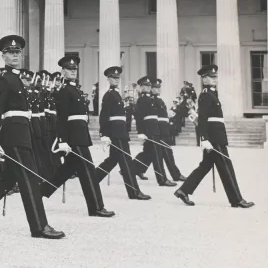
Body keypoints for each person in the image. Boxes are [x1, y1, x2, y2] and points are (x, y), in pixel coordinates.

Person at [0, 34, 64, 239]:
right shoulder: (4, 79)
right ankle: (39, 226)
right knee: (29, 179)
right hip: (12, 136)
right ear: (3, 56)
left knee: (8, 179)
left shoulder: (16, 79)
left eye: (17, 52)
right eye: (10, 53)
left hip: (21, 133)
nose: (15, 55)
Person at [40, 55, 115, 218]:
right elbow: (61, 118)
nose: (73, 71)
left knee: (67, 169)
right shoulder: (64, 91)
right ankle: (96, 207)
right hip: (74, 136)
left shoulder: (75, 90)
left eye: (74, 69)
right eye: (69, 69)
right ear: (63, 71)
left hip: (80, 133)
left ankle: (40, 192)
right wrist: (62, 140)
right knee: (88, 170)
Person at [174, 65, 254, 208]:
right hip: (213, 137)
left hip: (216, 135)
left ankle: (183, 190)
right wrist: (204, 139)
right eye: (211, 77)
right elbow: (203, 118)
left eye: (215, 77)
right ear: (204, 79)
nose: (214, 79)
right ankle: (237, 199)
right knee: (226, 166)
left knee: (205, 165)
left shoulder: (211, 94)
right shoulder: (205, 95)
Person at [95, 66, 150, 200]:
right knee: (126, 162)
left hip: (121, 131)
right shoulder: (109, 95)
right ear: (108, 79)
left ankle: (92, 179)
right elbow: (104, 115)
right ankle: (134, 192)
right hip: (116, 132)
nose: (116, 80)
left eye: (118, 77)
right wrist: (104, 134)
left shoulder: (117, 94)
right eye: (113, 77)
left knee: (112, 160)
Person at [131, 77, 176, 187]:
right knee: (157, 155)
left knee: (150, 153)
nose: (148, 88)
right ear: (141, 87)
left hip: (155, 129)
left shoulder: (151, 99)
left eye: (149, 86)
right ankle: (162, 179)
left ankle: (131, 169)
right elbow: (139, 116)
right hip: (149, 129)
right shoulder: (141, 100)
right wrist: (140, 131)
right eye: (145, 86)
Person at [152, 79, 186, 182]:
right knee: (162, 153)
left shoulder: (160, 100)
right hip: (158, 130)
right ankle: (173, 176)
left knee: (165, 152)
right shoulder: (151, 100)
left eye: (159, 88)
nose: (158, 90)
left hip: (164, 129)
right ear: (151, 89)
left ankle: (176, 174)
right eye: (155, 88)